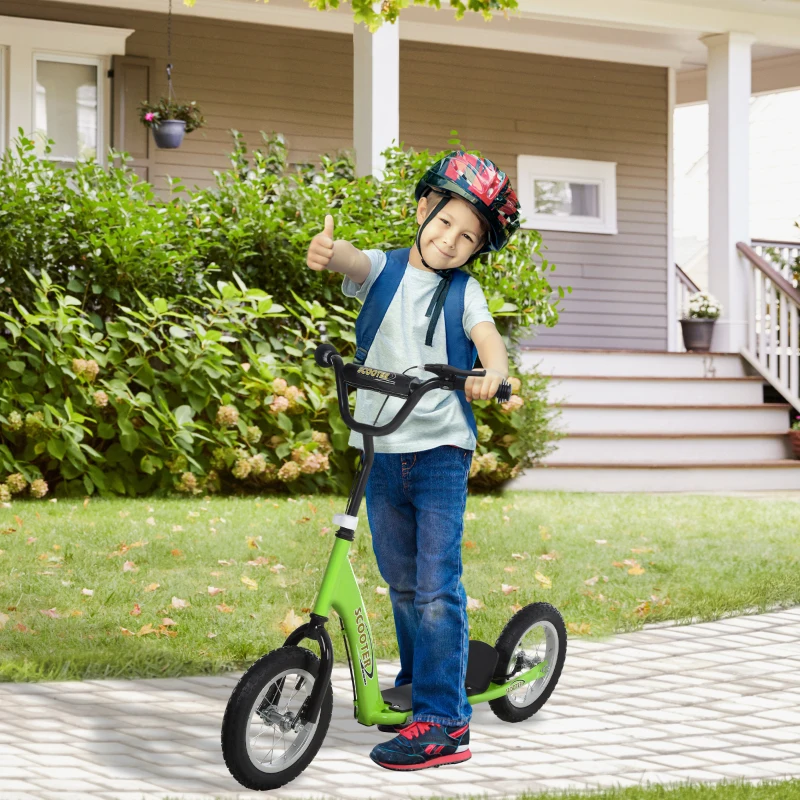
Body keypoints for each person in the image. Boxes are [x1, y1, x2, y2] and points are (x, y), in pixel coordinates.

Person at [306, 150, 521, 771]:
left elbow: (488, 341)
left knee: (434, 586)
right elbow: (351, 260)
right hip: (381, 445)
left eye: (468, 237)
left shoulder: (466, 291)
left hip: (438, 452)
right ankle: (421, 683)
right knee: (402, 583)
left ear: (477, 250)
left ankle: (447, 722)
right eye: (445, 221)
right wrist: (328, 251)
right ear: (424, 207)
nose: (451, 241)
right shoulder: (386, 269)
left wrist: (493, 375)